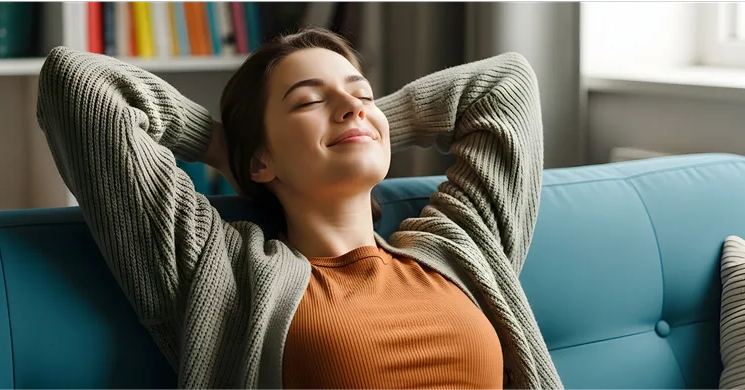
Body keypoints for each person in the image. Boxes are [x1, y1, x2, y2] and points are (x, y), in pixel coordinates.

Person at [36, 27, 562, 390]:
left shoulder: (461, 245)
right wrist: (232, 147)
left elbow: (506, 84)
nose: (351, 104)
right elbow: (77, 81)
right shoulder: (222, 273)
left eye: (362, 94)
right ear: (263, 162)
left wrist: (370, 125)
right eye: (308, 101)